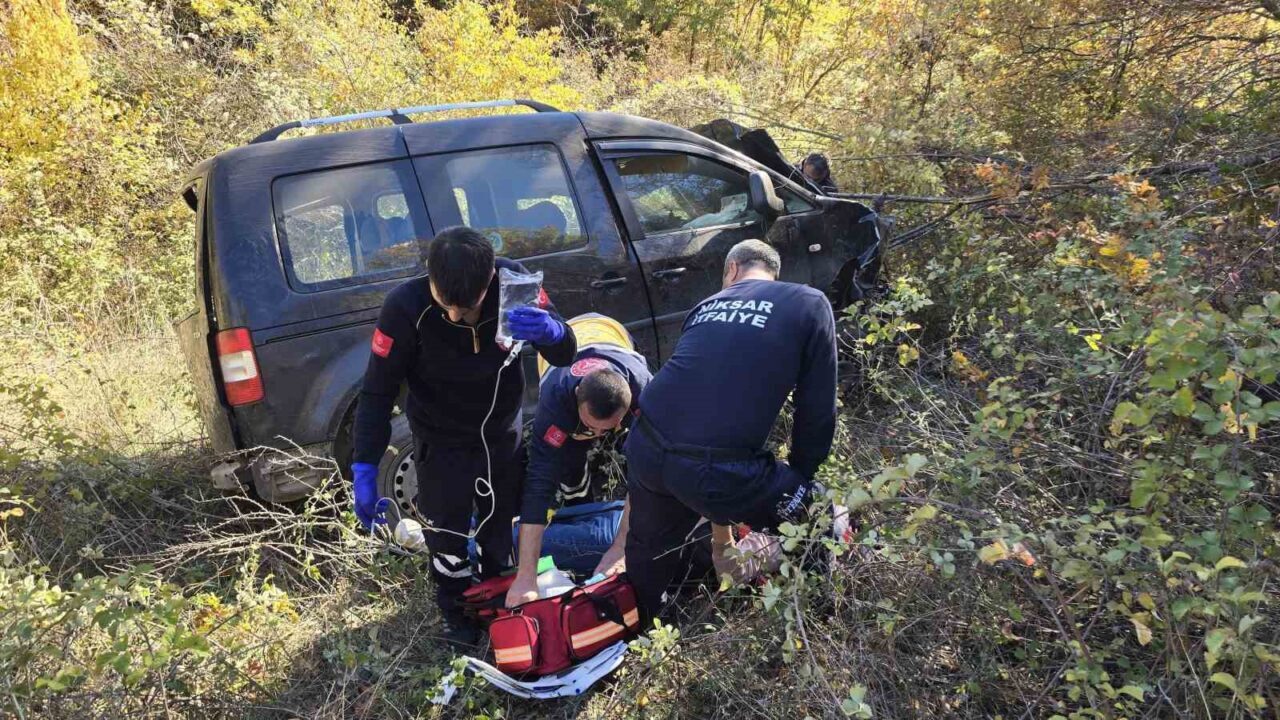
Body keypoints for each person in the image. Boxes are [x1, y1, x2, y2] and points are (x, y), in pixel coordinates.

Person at [350, 226, 577, 646]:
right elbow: (377, 391)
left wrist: (553, 333)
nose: (456, 316)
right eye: (446, 304)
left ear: (490, 278)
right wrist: (364, 465)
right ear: (429, 276)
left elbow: (566, 353)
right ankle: (457, 616)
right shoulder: (405, 307)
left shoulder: (515, 285)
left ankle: (501, 605)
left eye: (467, 307)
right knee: (447, 536)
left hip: (500, 435)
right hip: (440, 438)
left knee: (500, 531)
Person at [623, 239, 838, 619]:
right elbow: (816, 409)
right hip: (714, 470)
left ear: (732, 271)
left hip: (645, 446)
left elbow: (704, 410)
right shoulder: (808, 302)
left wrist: (723, 539)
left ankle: (642, 626)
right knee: (817, 511)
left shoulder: (705, 307)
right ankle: (821, 616)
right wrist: (800, 481)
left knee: (648, 549)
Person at [505, 315, 652, 608]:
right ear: (576, 399)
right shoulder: (556, 401)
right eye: (590, 427)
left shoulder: (646, 391)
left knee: (642, 453)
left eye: (605, 429)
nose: (596, 436)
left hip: (612, 331)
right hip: (568, 346)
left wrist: (620, 547)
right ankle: (578, 506)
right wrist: (525, 577)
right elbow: (539, 484)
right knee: (569, 465)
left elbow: (648, 470)